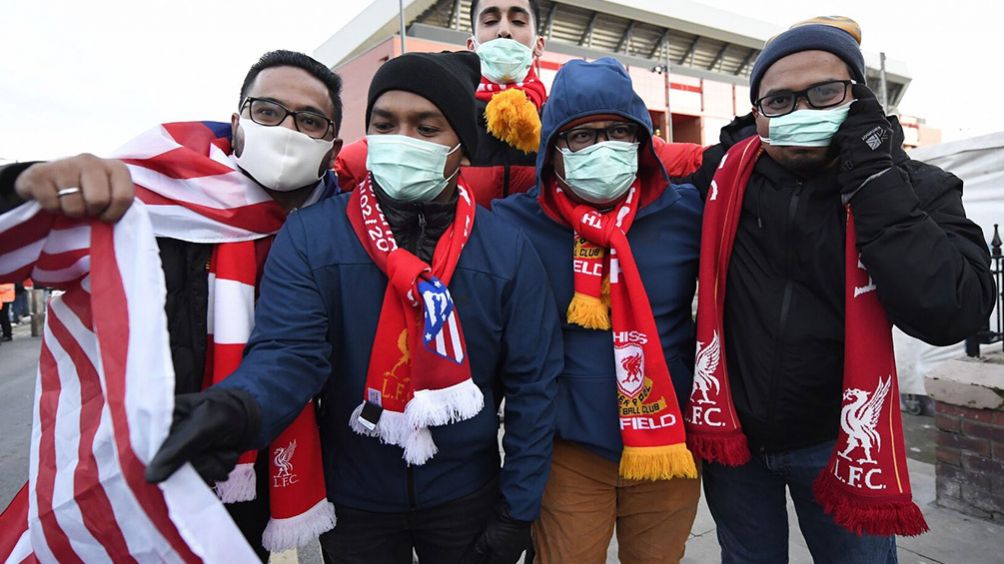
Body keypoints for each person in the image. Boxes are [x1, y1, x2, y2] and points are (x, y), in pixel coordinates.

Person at [144, 51, 564, 564]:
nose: (402, 140)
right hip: (354, 506)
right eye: (385, 125)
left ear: (463, 149)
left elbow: (534, 386)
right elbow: (289, 353)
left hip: (468, 499)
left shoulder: (507, 249)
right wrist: (238, 406)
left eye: (426, 127)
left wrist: (516, 512)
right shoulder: (313, 235)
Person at [0, 49, 344, 560]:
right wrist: (18, 189)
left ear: (332, 147)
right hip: (139, 457)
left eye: (310, 121)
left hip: (255, 461)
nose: (288, 129)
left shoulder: (339, 226)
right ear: (238, 120)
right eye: (268, 112)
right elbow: (22, 249)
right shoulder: (143, 195)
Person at [680, 17, 996, 563]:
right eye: (779, 100)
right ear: (757, 113)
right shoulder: (726, 178)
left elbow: (956, 310)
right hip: (734, 440)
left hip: (843, 443)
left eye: (824, 92)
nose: (801, 110)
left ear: (857, 99)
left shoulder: (913, 184)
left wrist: (875, 181)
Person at [493, 57, 703, 563]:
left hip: (669, 451)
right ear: (552, 149)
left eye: (618, 131)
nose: (603, 147)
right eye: (581, 137)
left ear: (642, 140)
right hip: (568, 454)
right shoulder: (510, 225)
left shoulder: (687, 213)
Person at [334, 0, 707, 206]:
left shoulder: (560, 118)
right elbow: (363, 155)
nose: (504, 29)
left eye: (517, 19)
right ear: (473, 44)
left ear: (538, 44)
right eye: (490, 19)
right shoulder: (446, 119)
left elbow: (663, 154)